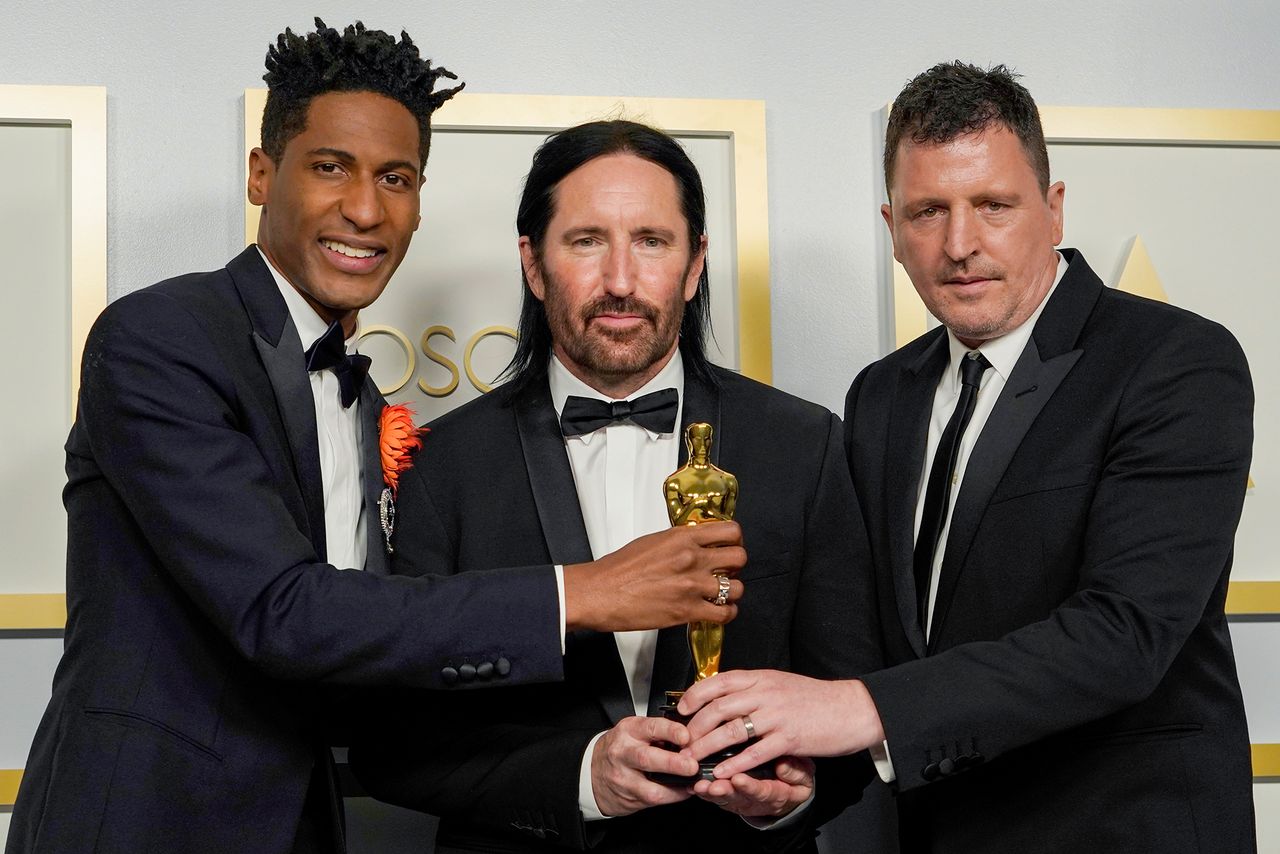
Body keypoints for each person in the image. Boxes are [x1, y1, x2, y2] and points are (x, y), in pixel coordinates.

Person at [6, 23, 746, 854]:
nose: (365, 208)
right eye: (331, 167)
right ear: (261, 174)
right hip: (142, 825)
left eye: (396, 178)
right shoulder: (161, 339)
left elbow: (365, 656)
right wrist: (581, 594)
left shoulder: (366, 403)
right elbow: (281, 612)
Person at [679, 61, 1256, 853]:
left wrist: (864, 711)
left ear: (1053, 210)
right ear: (891, 229)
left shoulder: (1175, 362)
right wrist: (797, 785)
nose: (960, 244)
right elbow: (880, 656)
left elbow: (1124, 635)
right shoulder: (881, 396)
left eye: (993, 205)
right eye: (927, 212)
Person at [350, 120, 879, 853]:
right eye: (586, 241)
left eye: (652, 242)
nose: (621, 281)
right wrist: (582, 778)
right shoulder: (442, 465)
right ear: (534, 266)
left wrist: (794, 793)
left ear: (695, 266)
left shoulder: (804, 445)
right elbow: (391, 747)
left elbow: (856, 704)